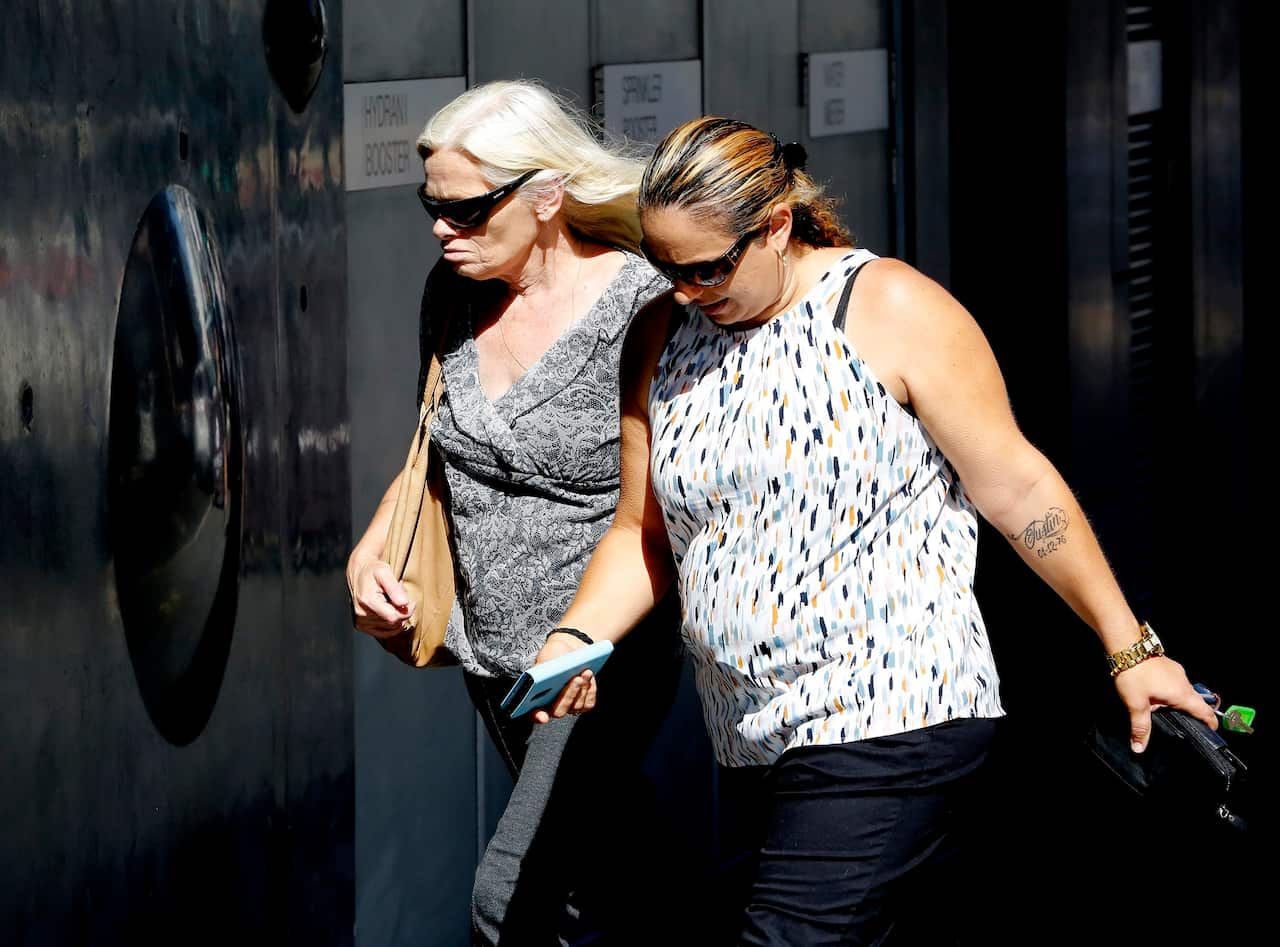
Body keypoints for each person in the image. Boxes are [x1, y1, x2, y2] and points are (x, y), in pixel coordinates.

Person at [530, 116, 1220, 945]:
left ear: (777, 225)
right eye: (664, 267)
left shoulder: (886, 306)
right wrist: (578, 632)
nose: (686, 290)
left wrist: (1130, 648)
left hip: (894, 707)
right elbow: (637, 531)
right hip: (753, 731)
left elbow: (1017, 487)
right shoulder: (662, 335)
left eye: (708, 267)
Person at [344, 80, 683, 946]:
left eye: (466, 209)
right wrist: (371, 549)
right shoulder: (452, 292)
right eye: (432, 206)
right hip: (493, 656)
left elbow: (663, 503)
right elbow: (433, 450)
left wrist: (587, 638)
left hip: (599, 658)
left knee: (512, 896)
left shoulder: (638, 307)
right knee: (599, 875)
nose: (441, 229)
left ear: (547, 196)